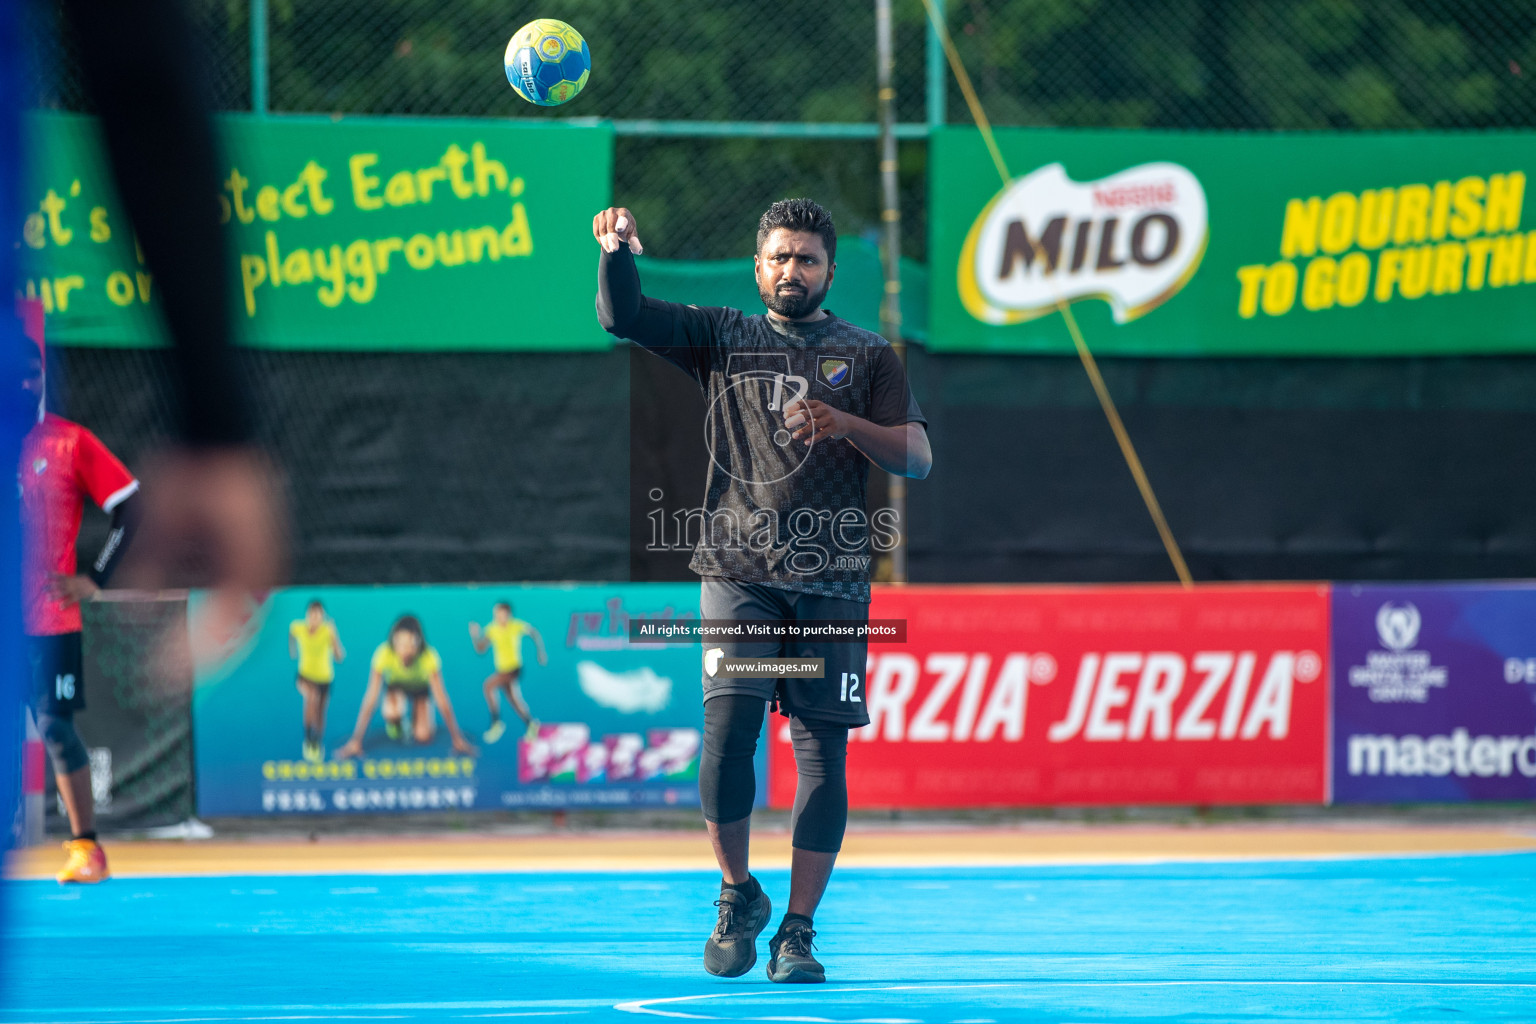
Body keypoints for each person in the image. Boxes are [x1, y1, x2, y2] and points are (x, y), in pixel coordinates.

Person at [594, 199, 932, 983]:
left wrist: (846, 423)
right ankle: (737, 893)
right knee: (728, 735)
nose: (791, 270)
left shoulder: (868, 354)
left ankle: (799, 932)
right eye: (778, 257)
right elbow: (625, 316)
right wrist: (615, 250)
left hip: (834, 586)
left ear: (829, 272)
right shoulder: (724, 336)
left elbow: (916, 457)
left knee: (822, 751)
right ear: (757, 268)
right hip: (738, 575)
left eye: (806, 259)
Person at [17, 334, 142, 883]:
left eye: (33, 371)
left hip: (50, 621)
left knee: (55, 727)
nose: (24, 382)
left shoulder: (68, 442)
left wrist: (94, 578)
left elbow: (131, 508)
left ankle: (85, 848)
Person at [334, 615, 476, 759]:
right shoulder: (383, 654)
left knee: (423, 736)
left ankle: (416, 715)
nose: (405, 651)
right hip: (396, 689)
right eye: (401, 644)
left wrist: (457, 738)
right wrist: (356, 740)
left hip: (420, 690)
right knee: (392, 713)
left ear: (418, 643)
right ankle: (397, 722)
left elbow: (442, 699)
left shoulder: (429, 657)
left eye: (410, 645)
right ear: (394, 641)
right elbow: (371, 697)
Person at [469, 601, 547, 744]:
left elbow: (534, 633)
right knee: (514, 700)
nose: (498, 617)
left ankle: (496, 723)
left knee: (488, 685)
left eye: (501, 614)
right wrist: (475, 635)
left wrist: (540, 652)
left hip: (514, 669)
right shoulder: (492, 628)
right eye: (496, 615)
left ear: (508, 614)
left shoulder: (516, 625)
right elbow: (480, 649)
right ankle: (531, 723)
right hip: (502, 669)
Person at [289, 599, 345, 763]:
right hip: (304, 676)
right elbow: (291, 634)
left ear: (323, 617)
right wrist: (292, 651)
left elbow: (339, 657)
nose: (315, 619)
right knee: (311, 696)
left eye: (318, 616)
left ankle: (317, 742)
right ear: (307, 616)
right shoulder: (297, 627)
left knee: (320, 714)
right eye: (312, 615)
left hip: (325, 679)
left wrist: (334, 636)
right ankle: (307, 739)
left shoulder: (328, 631)